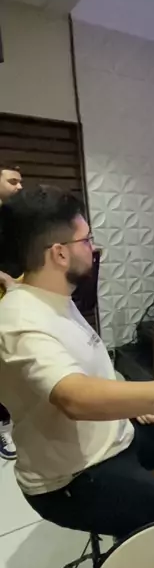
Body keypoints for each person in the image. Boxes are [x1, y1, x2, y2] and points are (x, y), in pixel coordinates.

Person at [0, 187, 154, 540]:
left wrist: (131, 400)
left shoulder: (50, 294)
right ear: (59, 253)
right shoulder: (21, 320)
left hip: (114, 435)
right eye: (86, 239)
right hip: (72, 478)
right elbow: (74, 397)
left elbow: (86, 369)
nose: (95, 248)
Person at [0, 162, 23, 460]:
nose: (19, 187)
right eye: (13, 181)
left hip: (19, 291)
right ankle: (3, 427)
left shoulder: (14, 216)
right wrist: (4, 278)